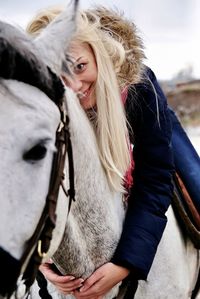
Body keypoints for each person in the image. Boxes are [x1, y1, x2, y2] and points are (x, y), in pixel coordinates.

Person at [27, 6, 174, 298]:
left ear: (98, 55)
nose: (76, 86)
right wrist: (38, 258)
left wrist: (126, 262)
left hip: (150, 127)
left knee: (194, 182)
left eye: (80, 66)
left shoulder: (139, 87)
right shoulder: (48, 104)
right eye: (60, 74)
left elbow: (156, 177)